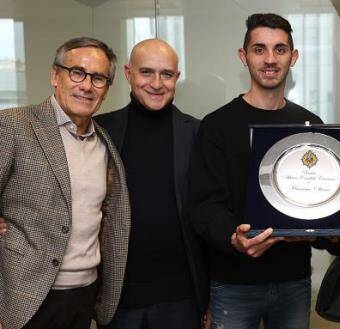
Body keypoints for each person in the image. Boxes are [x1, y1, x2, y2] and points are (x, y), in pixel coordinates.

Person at [188, 13, 323, 329]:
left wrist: (333, 230)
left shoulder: (311, 126)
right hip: (233, 282)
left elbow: (319, 201)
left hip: (294, 281)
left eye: (280, 49)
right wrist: (233, 239)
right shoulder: (216, 126)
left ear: (294, 57)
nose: (270, 59)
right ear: (243, 56)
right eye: (259, 49)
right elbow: (204, 204)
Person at [0, 37, 130, 329]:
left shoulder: (104, 143)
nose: (86, 85)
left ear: (107, 89)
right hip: (22, 297)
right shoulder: (14, 125)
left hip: (85, 295)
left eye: (98, 78)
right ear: (55, 76)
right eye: (77, 72)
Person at [94, 39, 207, 329]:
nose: (157, 83)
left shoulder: (197, 133)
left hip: (182, 299)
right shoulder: (100, 130)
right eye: (146, 72)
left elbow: (209, 211)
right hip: (120, 298)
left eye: (166, 74)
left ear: (176, 78)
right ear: (129, 74)